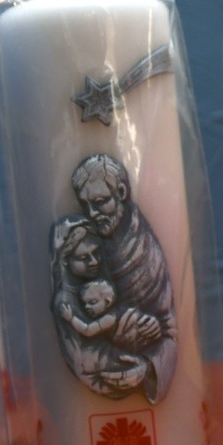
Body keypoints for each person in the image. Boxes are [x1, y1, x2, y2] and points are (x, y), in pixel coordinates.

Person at [64, 155, 177, 404]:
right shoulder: (80, 240)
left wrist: (147, 368)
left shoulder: (147, 253)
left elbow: (169, 330)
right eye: (85, 205)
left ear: (122, 193)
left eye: (100, 202)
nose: (92, 214)